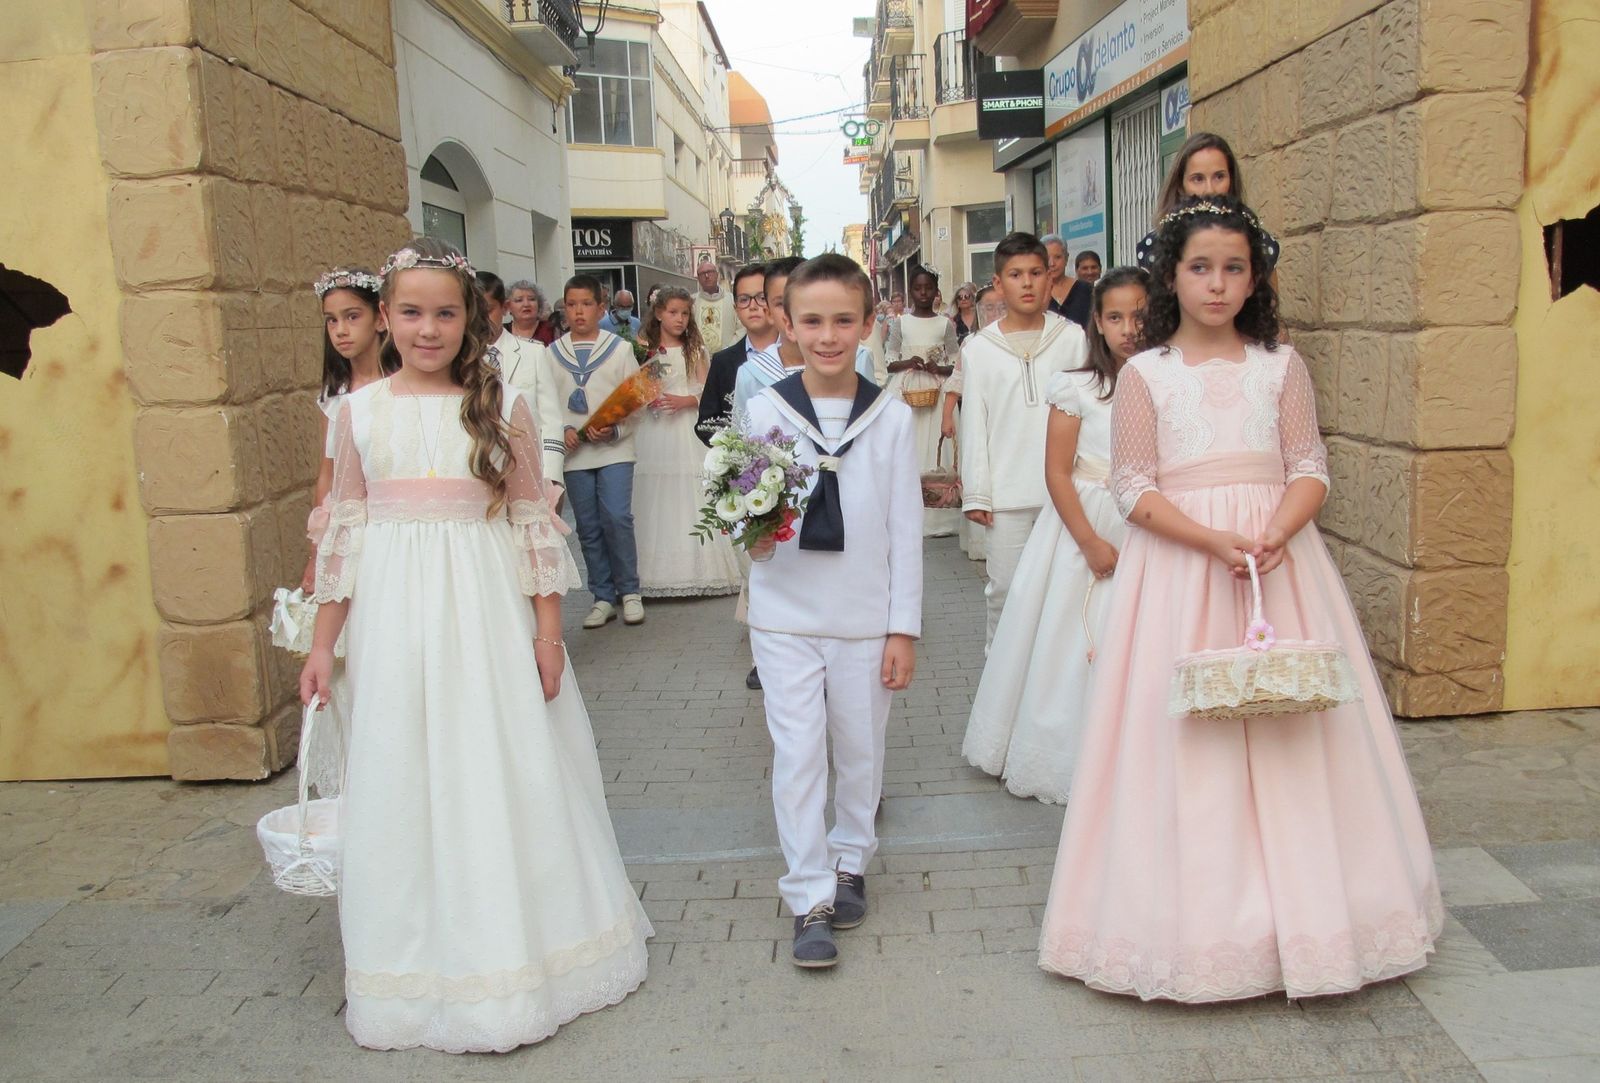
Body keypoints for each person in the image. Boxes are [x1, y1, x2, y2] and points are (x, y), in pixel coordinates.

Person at [1038, 196, 1441, 1002]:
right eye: (1199, 268)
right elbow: (1133, 482)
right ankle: (1191, 929)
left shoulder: (1279, 366)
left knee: (1296, 731)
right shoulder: (1145, 374)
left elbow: (1309, 463)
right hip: (1181, 570)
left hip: (1278, 567)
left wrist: (1276, 532)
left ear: (1254, 278)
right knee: (1186, 741)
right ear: (1170, 278)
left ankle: (1318, 920)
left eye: (1233, 268)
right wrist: (1212, 540)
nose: (1217, 285)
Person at [298, 237, 651, 1053]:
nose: (428, 329)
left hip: (485, 617)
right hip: (390, 622)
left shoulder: (504, 408)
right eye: (412, 312)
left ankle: (522, 952)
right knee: (402, 771)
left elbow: (533, 521)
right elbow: (342, 536)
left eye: (445, 312)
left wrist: (550, 632)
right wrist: (324, 645)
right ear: (384, 318)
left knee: (497, 765)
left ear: (472, 320)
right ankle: (414, 966)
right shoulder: (357, 413)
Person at [742, 253, 922, 968]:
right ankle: (809, 894)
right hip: (784, 612)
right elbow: (746, 509)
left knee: (859, 750)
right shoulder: (764, 409)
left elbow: (906, 528)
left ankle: (852, 858)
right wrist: (748, 527)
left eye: (843, 320)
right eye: (811, 319)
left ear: (868, 323)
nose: (826, 334)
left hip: (862, 616)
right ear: (787, 322)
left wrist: (902, 626)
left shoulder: (893, 417)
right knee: (796, 756)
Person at [961, 267, 1149, 803]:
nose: (1129, 328)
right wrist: (1088, 540)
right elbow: (1058, 471)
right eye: (1115, 317)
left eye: (1140, 315)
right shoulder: (1079, 386)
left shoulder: (1174, 382)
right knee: (1077, 635)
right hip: (1088, 520)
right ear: (1098, 324)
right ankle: (1069, 749)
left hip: (1154, 523)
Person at [959, 233, 1088, 647]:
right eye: (1016, 275)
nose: (1027, 283)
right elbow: (975, 424)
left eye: (1036, 273)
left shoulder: (1072, 339)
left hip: (1068, 491)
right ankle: (1002, 687)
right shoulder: (979, 349)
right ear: (998, 284)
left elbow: (1089, 413)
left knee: (1065, 593)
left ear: (1051, 279)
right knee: (1006, 592)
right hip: (1008, 496)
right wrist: (977, 493)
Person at [550, 274, 646, 629]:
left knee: (617, 517)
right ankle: (602, 595)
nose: (578, 312)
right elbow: (546, 402)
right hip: (575, 453)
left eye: (586, 304)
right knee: (588, 525)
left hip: (615, 448)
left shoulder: (619, 349)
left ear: (600, 308)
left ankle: (630, 591)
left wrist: (616, 428)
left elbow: (637, 400)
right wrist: (563, 430)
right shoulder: (552, 353)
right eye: (571, 304)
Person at [634, 287, 742, 597]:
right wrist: (648, 398)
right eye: (673, 313)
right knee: (656, 495)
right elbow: (637, 389)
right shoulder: (645, 351)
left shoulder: (695, 350)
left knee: (691, 491)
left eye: (684, 313)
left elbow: (707, 390)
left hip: (684, 426)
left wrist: (685, 400)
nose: (680, 319)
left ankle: (701, 568)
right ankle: (652, 573)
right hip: (654, 430)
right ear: (658, 314)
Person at [1136, 132, 1282, 274]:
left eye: (1219, 177)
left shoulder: (1259, 243)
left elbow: (1270, 298)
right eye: (1198, 179)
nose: (1209, 189)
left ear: (1231, 180)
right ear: (1181, 185)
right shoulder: (1156, 246)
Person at [884, 265, 960, 537]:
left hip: (936, 393)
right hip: (905, 392)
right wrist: (908, 362)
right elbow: (889, 361)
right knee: (908, 448)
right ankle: (906, 514)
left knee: (935, 449)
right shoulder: (900, 323)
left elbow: (956, 362)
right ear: (910, 291)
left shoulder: (945, 325)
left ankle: (939, 516)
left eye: (928, 287)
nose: (923, 292)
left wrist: (939, 368)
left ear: (936, 290)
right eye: (918, 288)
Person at [479, 271, 565, 488]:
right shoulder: (459, 359)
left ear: (504, 308)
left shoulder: (533, 354)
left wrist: (552, 477)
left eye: (488, 311)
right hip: (478, 473)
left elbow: (550, 419)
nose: (480, 320)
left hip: (527, 469)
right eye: (472, 312)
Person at [697, 262, 776, 445]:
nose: (753, 306)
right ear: (736, 309)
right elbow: (706, 422)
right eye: (744, 299)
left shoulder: (798, 353)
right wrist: (735, 448)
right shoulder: (723, 361)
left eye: (761, 297)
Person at [1042, 234, 1092, 328]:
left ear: (1066, 258)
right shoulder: (1037, 293)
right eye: (1047, 258)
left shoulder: (1085, 289)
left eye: (1057, 257)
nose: (1052, 263)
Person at [692, 260, 739, 353]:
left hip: (727, 356)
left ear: (717, 275)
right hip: (699, 358)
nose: (706, 276)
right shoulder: (692, 301)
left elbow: (741, 328)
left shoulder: (732, 300)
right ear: (698, 278)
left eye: (710, 272)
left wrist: (728, 350)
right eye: (702, 273)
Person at [508, 279, 558, 345]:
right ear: (508, 306)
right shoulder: (500, 333)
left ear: (539, 304)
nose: (526, 304)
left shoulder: (552, 331)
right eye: (519, 300)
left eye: (532, 299)